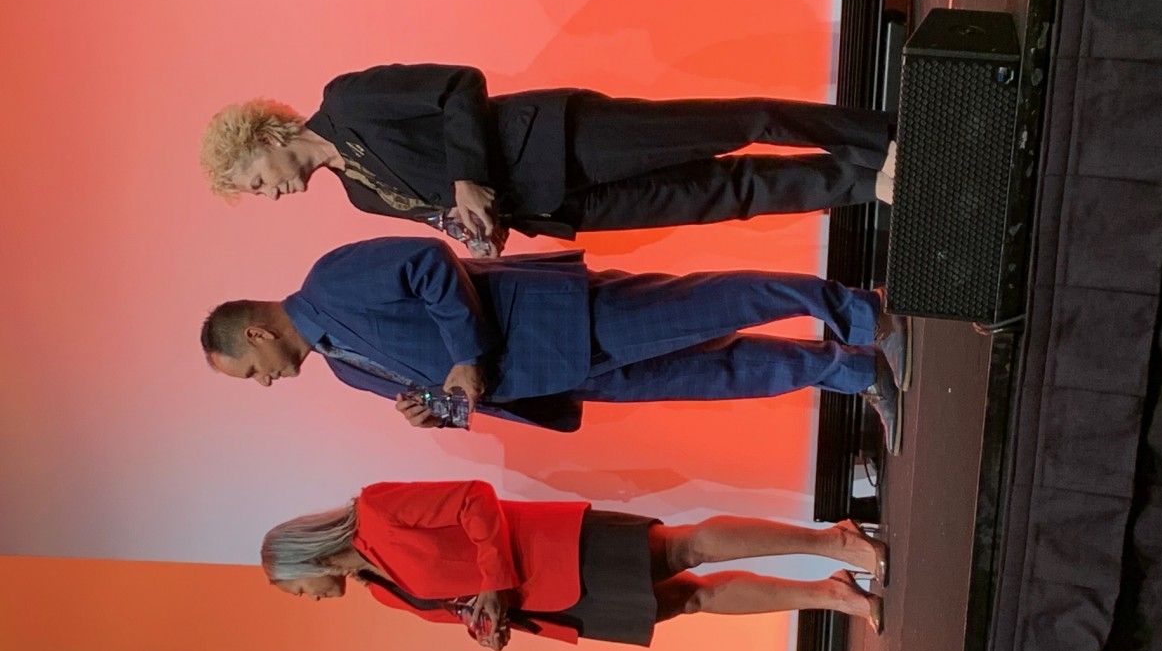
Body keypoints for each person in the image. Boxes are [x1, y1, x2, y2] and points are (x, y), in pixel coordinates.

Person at [199, 236, 913, 451]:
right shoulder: (341, 368)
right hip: (555, 372)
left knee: (714, 303)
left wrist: (466, 359)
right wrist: (437, 411)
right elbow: (451, 382)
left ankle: (859, 312)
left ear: (256, 332)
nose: (265, 384)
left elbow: (429, 264)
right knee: (717, 372)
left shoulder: (328, 282)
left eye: (251, 372)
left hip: (555, 321)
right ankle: (856, 372)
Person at [199, 63, 898, 255]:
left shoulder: (347, 101)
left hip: (564, 138)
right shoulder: (358, 197)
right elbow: (452, 211)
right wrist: (477, 231)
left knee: (737, 124)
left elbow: (457, 87)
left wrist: (468, 177)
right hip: (557, 205)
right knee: (727, 194)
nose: (271, 196)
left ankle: (883, 139)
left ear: (266, 139)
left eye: (257, 183)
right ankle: (871, 183)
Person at [261, 480, 890, 648]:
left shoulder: (376, 510)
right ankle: (832, 596)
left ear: (306, 557)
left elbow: (476, 500)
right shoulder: (380, 593)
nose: (312, 599)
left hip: (557, 548)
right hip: (553, 605)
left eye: (299, 590)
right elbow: (464, 604)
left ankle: (832, 543)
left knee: (686, 548)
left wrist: (491, 582)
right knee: (690, 600)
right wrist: (490, 625)